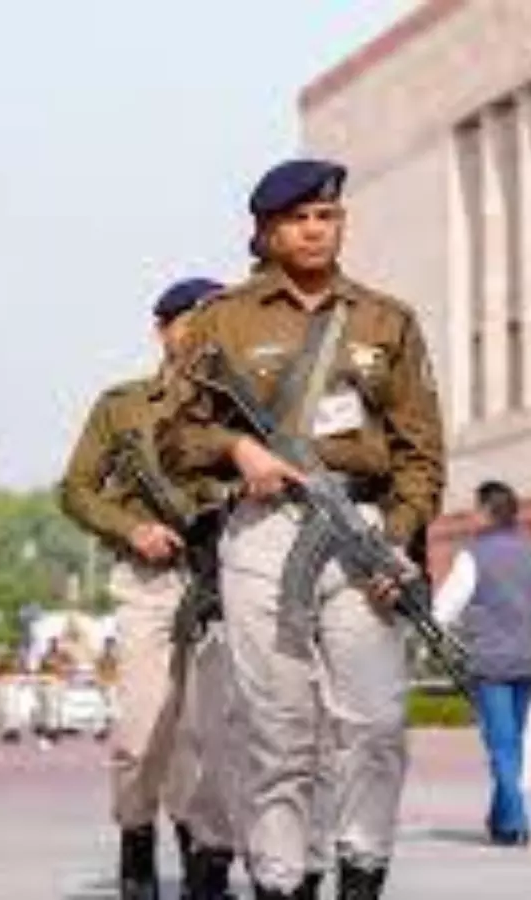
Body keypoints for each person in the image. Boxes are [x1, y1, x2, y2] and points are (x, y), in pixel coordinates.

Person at [156, 158, 446, 899]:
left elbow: (421, 452)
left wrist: (401, 538)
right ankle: (284, 881)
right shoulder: (224, 319)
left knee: (376, 721)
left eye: (329, 217)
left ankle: (361, 868)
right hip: (262, 532)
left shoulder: (388, 320)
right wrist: (237, 449)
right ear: (266, 231)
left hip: (361, 527)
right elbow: (177, 440)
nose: (317, 230)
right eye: (300, 219)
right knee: (279, 727)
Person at [59, 275, 241, 900]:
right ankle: (136, 836)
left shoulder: (247, 408)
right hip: (151, 585)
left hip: (224, 582)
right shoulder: (123, 406)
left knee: (211, 731)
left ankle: (207, 853)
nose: (202, 332)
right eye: (189, 320)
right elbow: (76, 489)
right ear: (161, 330)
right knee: (143, 733)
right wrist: (131, 527)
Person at [432, 480, 531, 847]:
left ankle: (515, 821)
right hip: (529, 660)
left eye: (474, 508)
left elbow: (444, 611)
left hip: (491, 662)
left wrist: (438, 638)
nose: (470, 515)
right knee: (512, 741)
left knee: (501, 745)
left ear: (486, 513)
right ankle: (499, 818)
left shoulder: (472, 556)